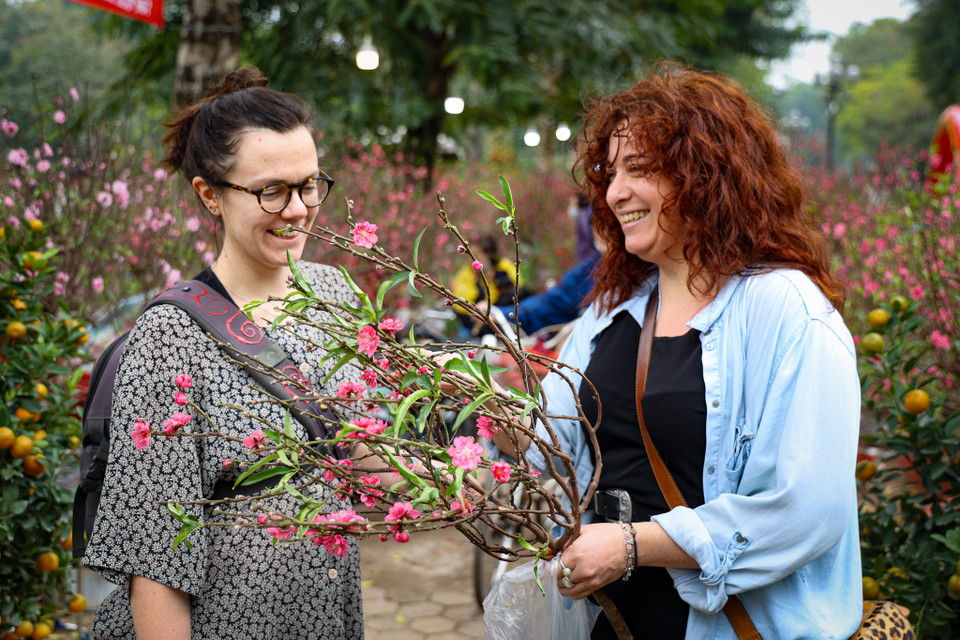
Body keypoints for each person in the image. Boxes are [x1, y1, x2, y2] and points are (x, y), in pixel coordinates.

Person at [493, 64, 862, 639]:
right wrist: (464, 420)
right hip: (611, 618)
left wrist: (634, 545)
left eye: (639, 169)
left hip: (722, 623)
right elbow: (549, 444)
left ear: (705, 174)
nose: (614, 192)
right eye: (609, 173)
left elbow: (808, 509)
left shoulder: (787, 310)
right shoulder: (612, 310)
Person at [82, 67, 372, 639]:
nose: (298, 210)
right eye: (272, 190)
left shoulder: (337, 295)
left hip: (324, 615)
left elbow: (362, 451)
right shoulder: (169, 338)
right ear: (209, 194)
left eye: (310, 184)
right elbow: (153, 560)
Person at [450, 234, 520, 333]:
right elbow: (461, 304)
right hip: (479, 323)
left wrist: (492, 280)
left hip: (506, 316)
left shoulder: (504, 267)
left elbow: (518, 289)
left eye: (477, 254)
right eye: (469, 254)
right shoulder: (465, 274)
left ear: (488, 254)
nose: (472, 258)